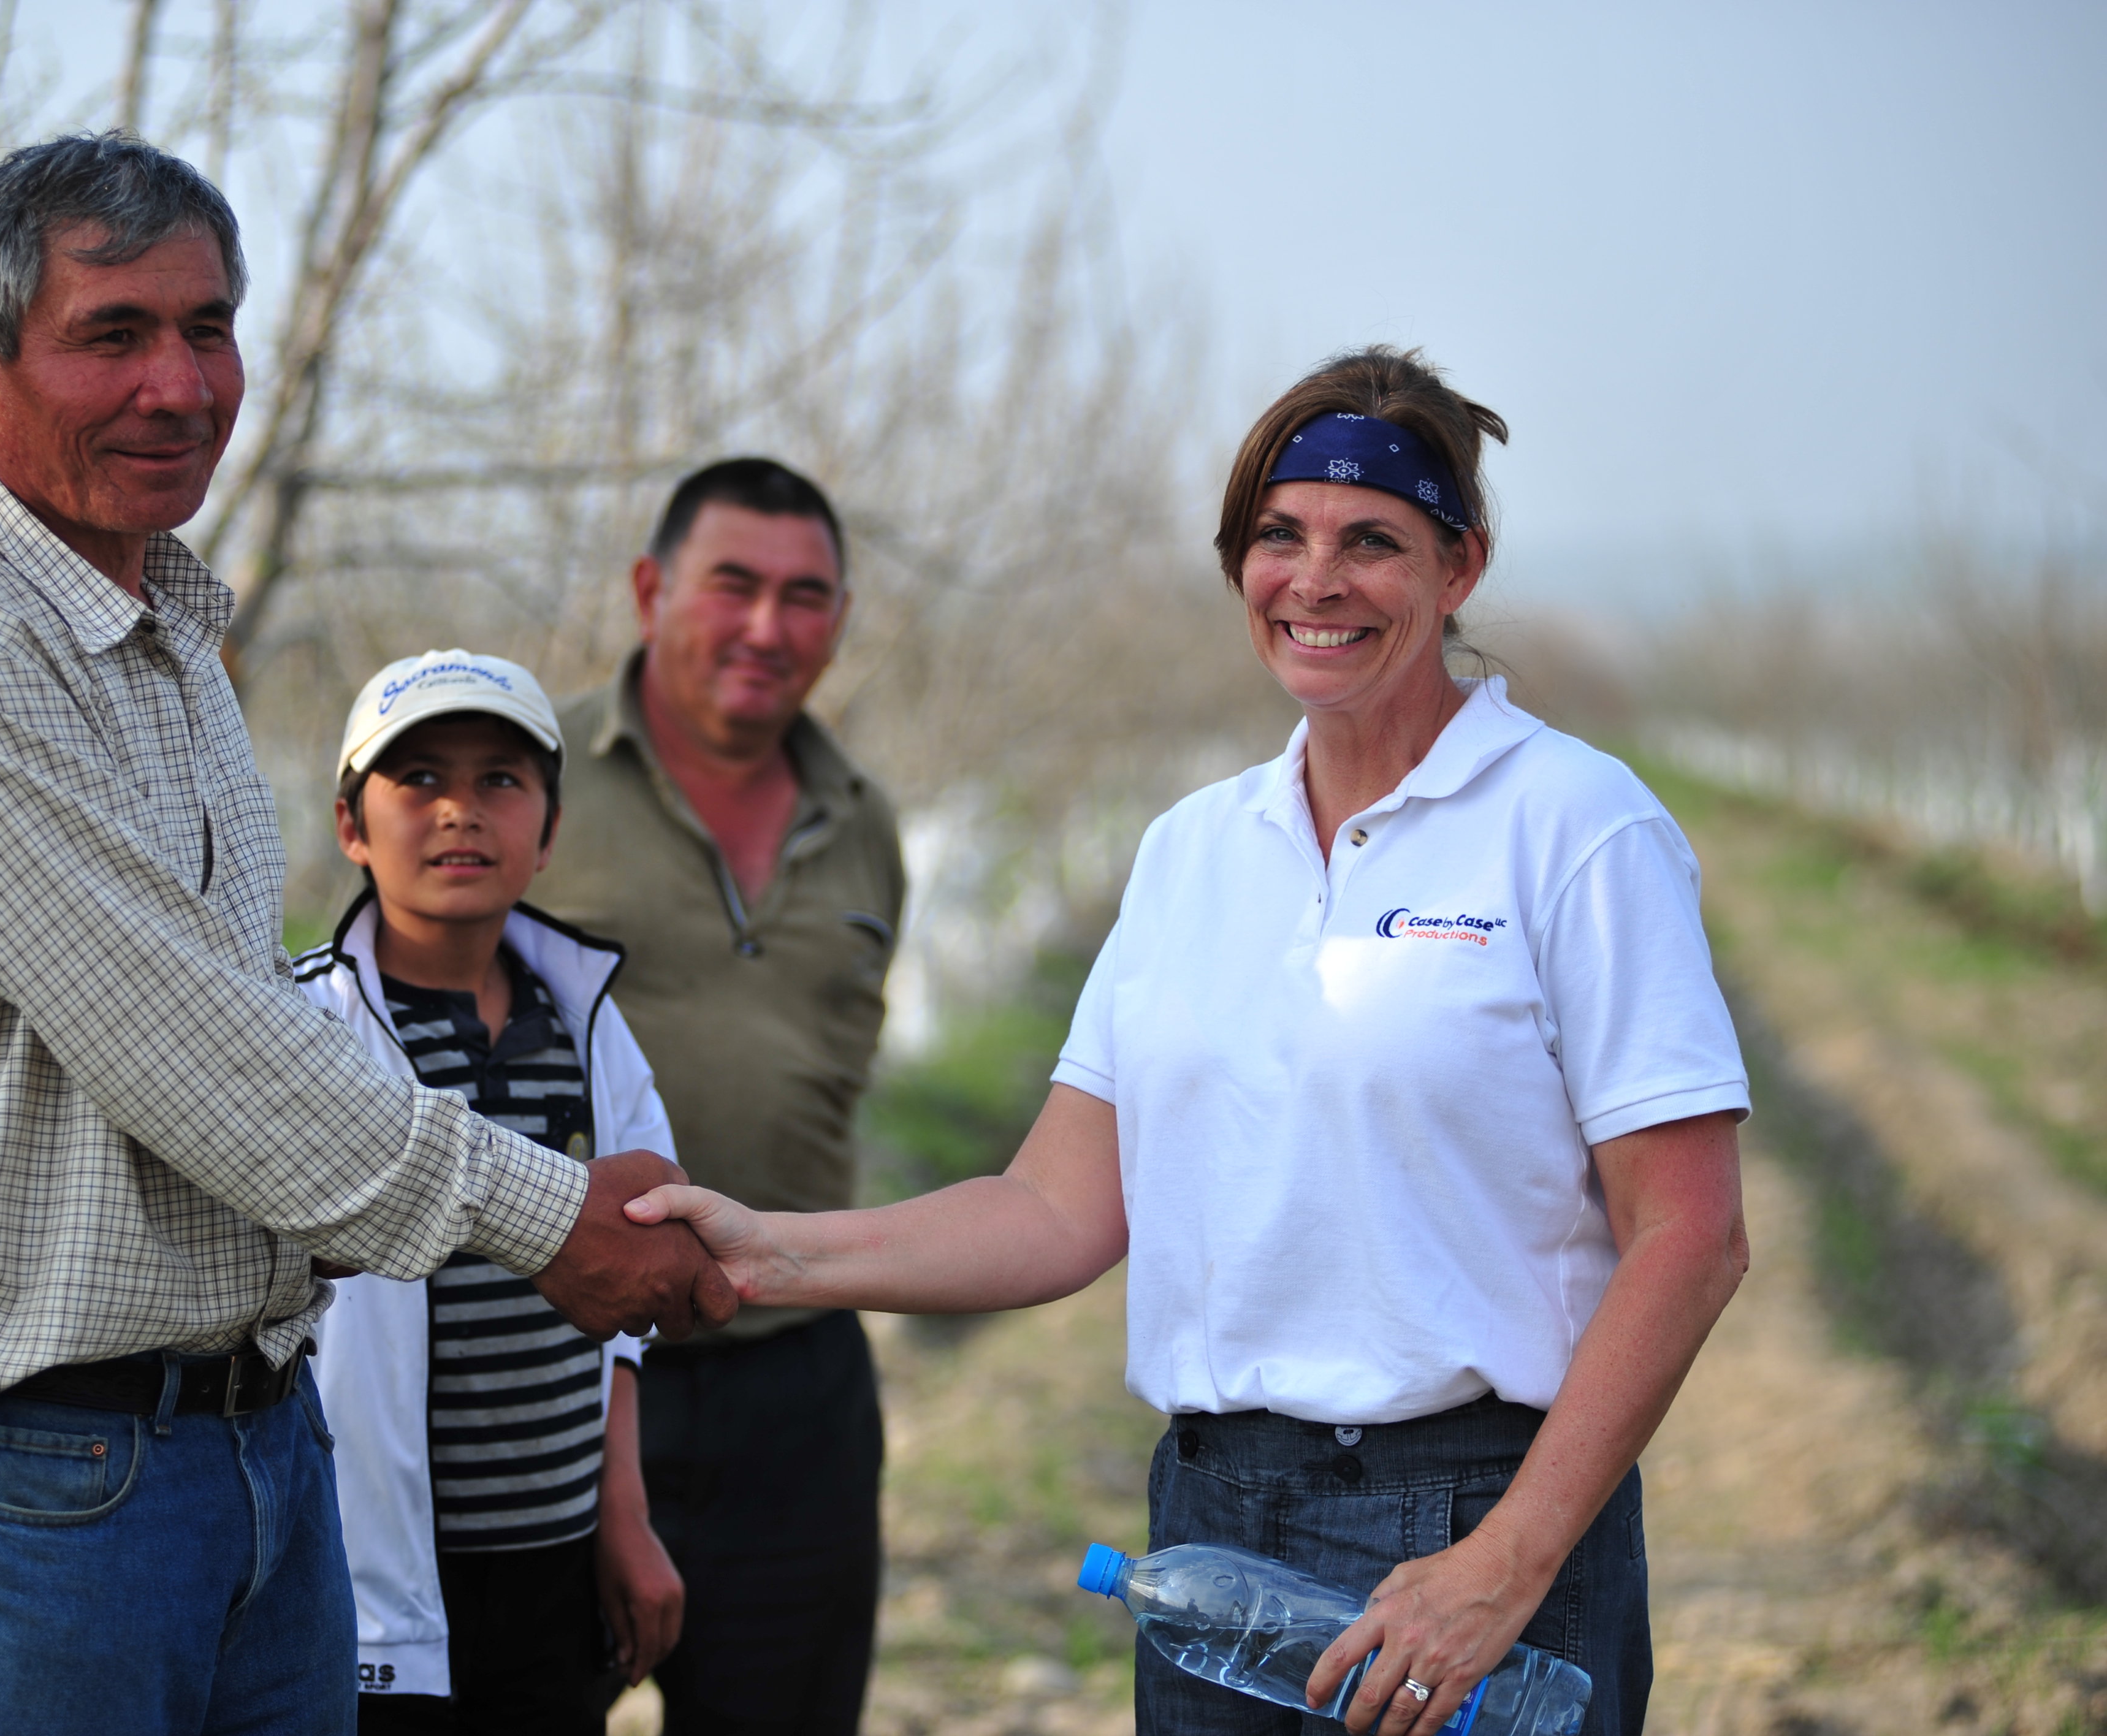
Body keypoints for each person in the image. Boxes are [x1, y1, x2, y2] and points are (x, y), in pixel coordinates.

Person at [0, 135, 731, 1736]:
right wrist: (555, 1219)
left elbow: (229, 1033)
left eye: (208, 328)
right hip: (28, 1483)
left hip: (253, 1449)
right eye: (113, 334)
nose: (181, 385)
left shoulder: (166, 635)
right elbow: (194, 1058)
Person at [625, 349, 1754, 1736]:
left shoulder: (1578, 827)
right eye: (1279, 537)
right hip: (1216, 1524)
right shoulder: (1192, 850)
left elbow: (1689, 1235)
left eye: (1372, 543)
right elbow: (1052, 1208)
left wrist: (1504, 1564)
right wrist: (772, 1249)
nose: (1317, 580)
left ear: (1458, 567)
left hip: (1470, 1518)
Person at [524, 458, 904, 1734]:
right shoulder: (527, 777)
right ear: (649, 589)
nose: (766, 627)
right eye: (731, 585)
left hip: (796, 1382)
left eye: (805, 597)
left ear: (838, 619)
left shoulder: (866, 822)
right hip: (547, 1369)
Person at [292, 650, 684, 1732]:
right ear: (351, 826)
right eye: (418, 779)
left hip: (557, 1558)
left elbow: (630, 1305)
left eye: (500, 781)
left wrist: (625, 1516)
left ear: (549, 829)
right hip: (368, 1568)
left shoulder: (588, 1023)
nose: (460, 810)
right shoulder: (304, 1032)